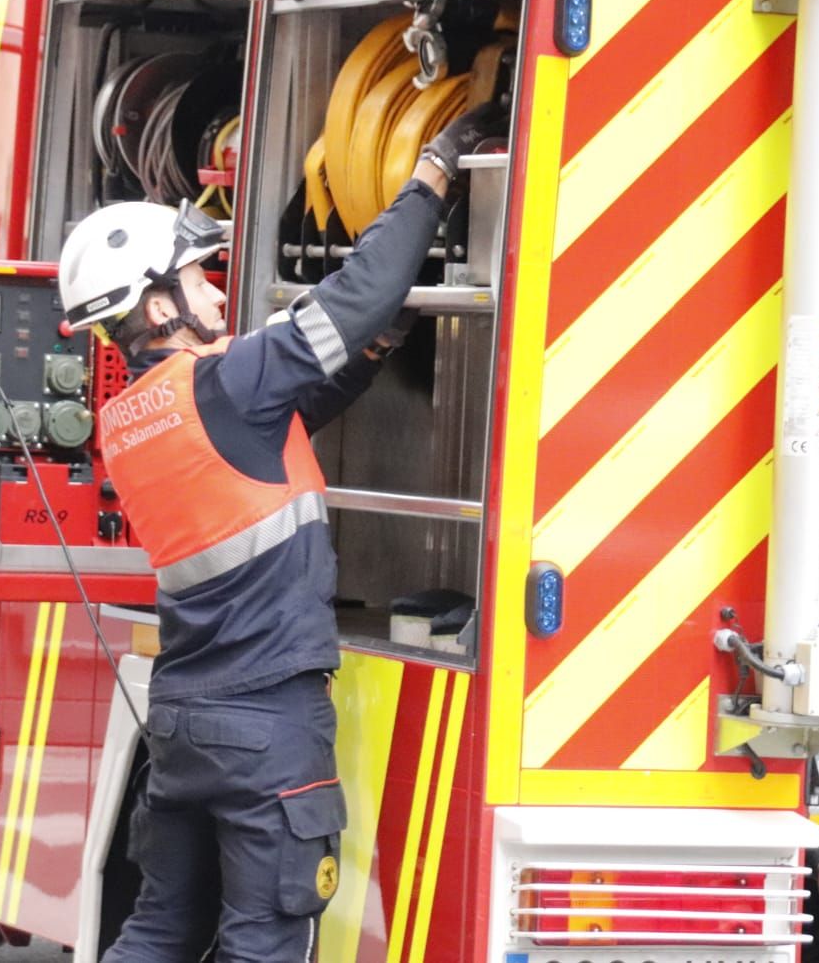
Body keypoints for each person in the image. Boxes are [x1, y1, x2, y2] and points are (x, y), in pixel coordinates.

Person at [57, 101, 504, 963]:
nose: (214, 290)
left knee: (160, 928)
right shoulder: (225, 382)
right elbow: (352, 300)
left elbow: (296, 410)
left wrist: (377, 341)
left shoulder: (132, 420)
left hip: (185, 720)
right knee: (263, 941)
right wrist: (434, 174)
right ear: (158, 306)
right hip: (265, 723)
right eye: (197, 278)